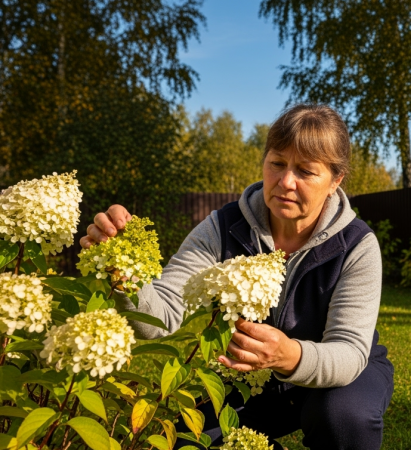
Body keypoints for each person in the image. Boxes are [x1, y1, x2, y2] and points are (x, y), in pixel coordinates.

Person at [80, 104, 394, 450]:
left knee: (343, 417)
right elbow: (160, 316)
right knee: (188, 441)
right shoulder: (223, 228)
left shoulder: (356, 245)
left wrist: (288, 355)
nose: (285, 182)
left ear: (336, 181)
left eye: (305, 171)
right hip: (249, 379)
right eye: (277, 164)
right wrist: (123, 270)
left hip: (340, 377)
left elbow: (349, 351)